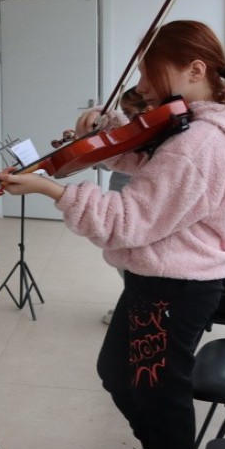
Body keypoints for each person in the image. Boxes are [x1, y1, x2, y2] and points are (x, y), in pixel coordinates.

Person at [0, 20, 225, 449]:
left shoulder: (199, 145)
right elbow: (148, 158)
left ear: (194, 69)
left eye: (152, 74)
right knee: (122, 374)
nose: (144, 87)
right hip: (163, 280)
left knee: (155, 390)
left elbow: (128, 221)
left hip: (174, 287)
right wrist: (106, 133)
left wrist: (49, 189)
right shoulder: (194, 125)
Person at [81, 88, 148, 325]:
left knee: (129, 261)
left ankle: (133, 311)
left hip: (131, 204)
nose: (126, 119)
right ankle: (131, 305)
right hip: (121, 198)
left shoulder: (147, 137)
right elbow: (112, 162)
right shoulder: (132, 133)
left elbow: (121, 161)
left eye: (129, 113)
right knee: (123, 261)